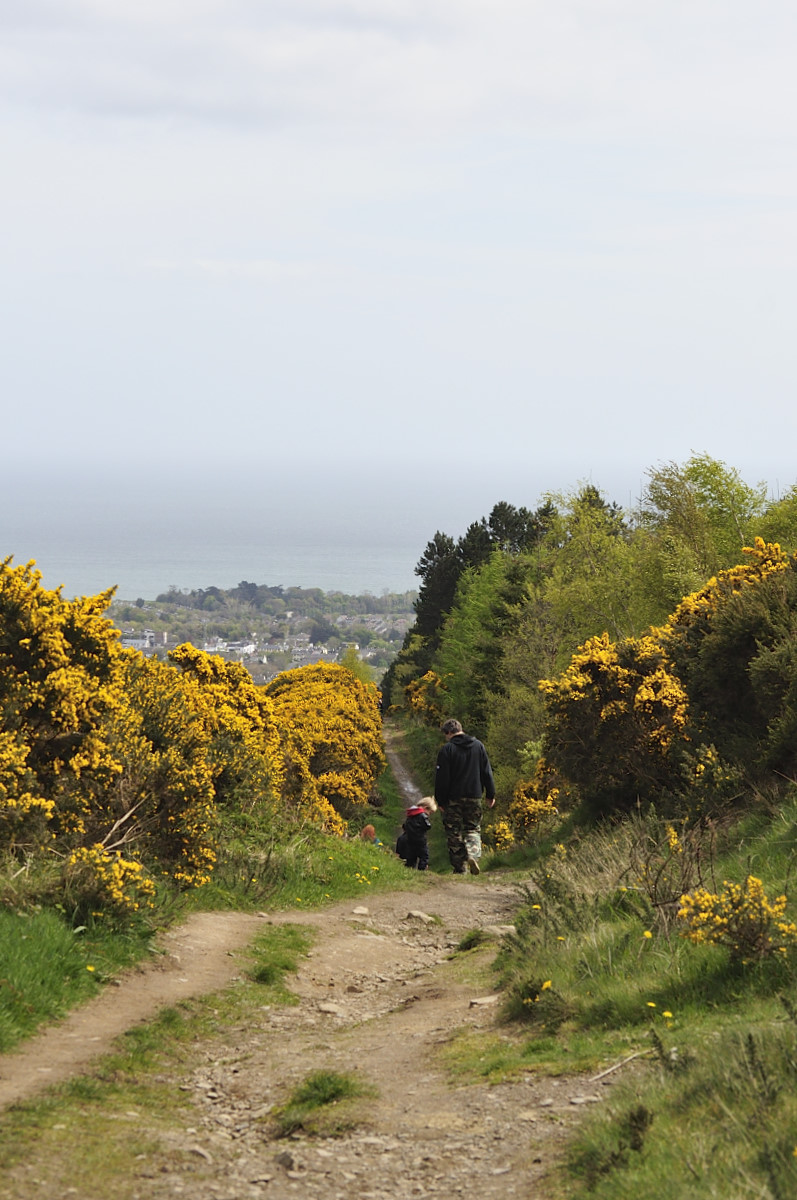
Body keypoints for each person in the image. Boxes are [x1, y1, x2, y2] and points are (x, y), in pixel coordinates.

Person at [434, 718, 496, 875]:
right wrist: (490, 794)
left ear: (449, 733)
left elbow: (442, 778)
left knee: (453, 832)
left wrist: (440, 800)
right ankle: (473, 855)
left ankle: (460, 868)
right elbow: (486, 772)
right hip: (474, 795)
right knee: (473, 828)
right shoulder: (478, 746)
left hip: (453, 798)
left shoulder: (447, 750)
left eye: (445, 735)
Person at [396, 796, 437, 871]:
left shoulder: (411, 814)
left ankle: (410, 868)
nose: (429, 815)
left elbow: (405, 825)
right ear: (426, 808)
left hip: (410, 839)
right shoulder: (422, 815)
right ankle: (422, 869)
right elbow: (427, 825)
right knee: (424, 855)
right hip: (420, 839)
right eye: (430, 812)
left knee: (411, 856)